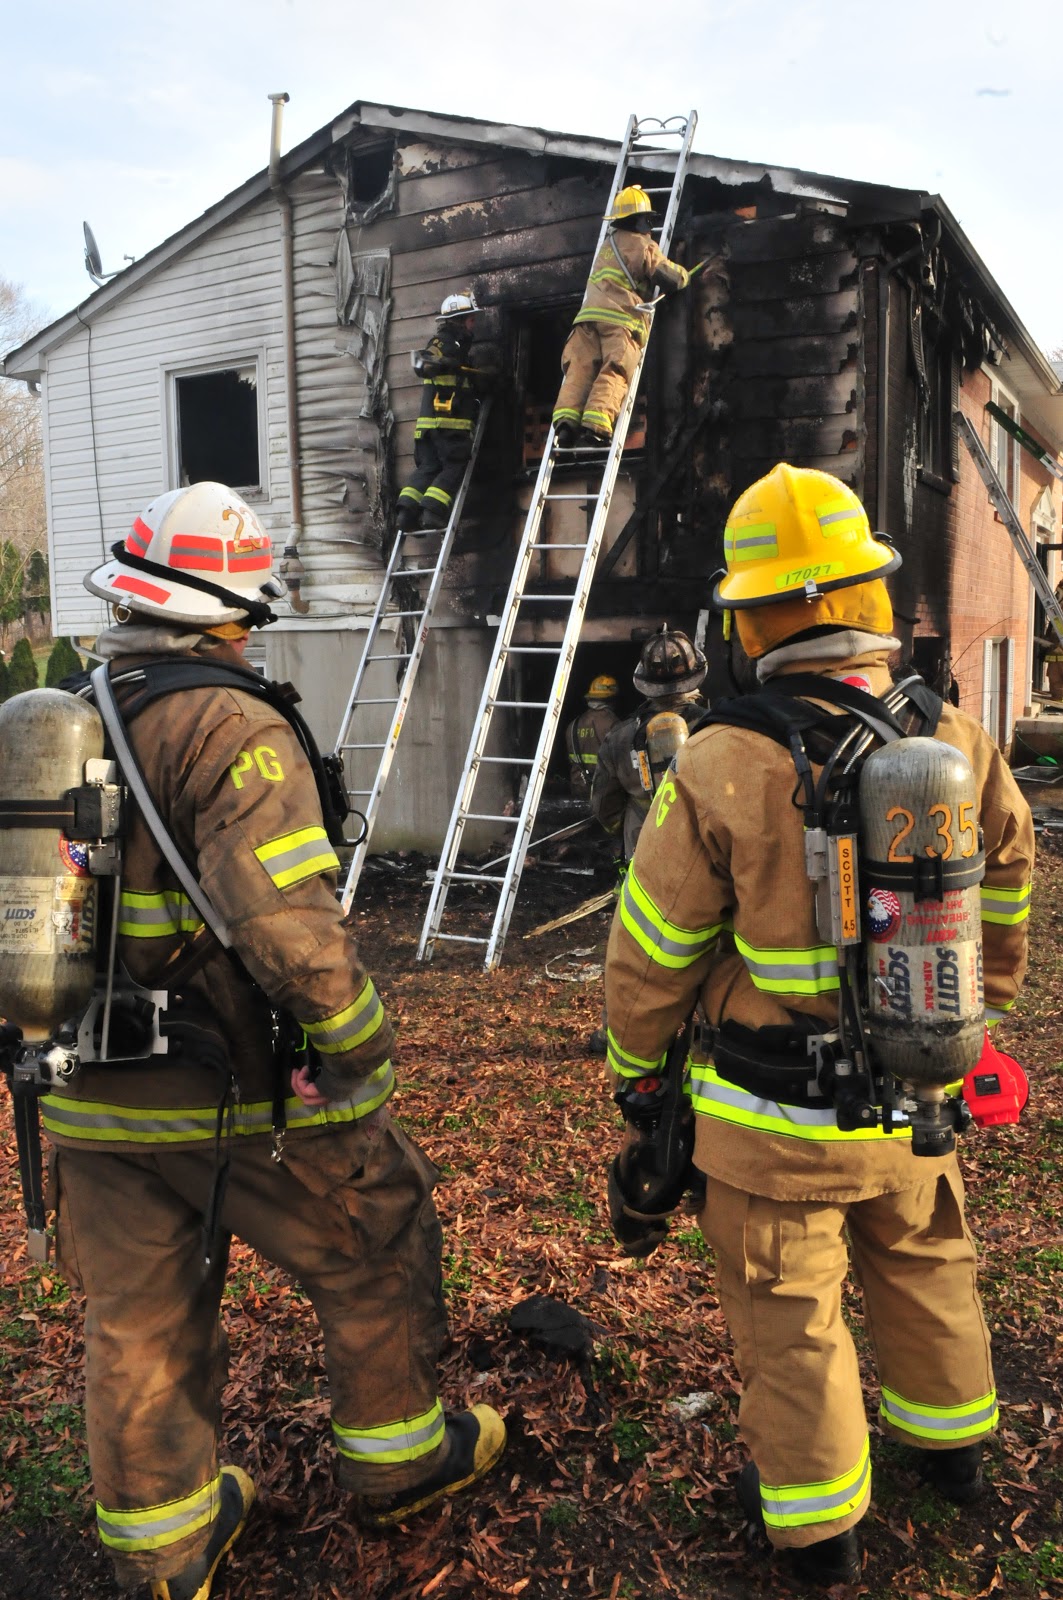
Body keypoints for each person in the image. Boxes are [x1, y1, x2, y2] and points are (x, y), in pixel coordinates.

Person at [44, 482, 505, 1599]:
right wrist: (356, 1047)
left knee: (139, 1318)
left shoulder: (64, 720)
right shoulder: (230, 724)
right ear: (233, 614)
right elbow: (283, 925)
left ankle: (163, 1554)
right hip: (226, 1090)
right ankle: (400, 1466)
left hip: (84, 1092)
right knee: (376, 1238)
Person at [603, 463, 1033, 1589]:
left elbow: (651, 947)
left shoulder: (718, 759)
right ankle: (953, 1454)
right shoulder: (951, 734)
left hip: (770, 1121)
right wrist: (976, 1008)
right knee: (928, 1263)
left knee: (790, 1316)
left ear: (750, 618)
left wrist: (635, 1070)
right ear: (868, 595)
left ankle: (818, 1533)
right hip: (915, 1084)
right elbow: (1008, 869)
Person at [551, 186, 691, 450]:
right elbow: (668, 276)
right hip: (619, 320)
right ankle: (596, 425)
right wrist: (684, 276)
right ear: (641, 219)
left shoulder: (606, 246)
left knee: (579, 370)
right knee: (615, 368)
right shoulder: (641, 245)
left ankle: (566, 424)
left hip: (586, 319)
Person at [591, 627, 707, 863]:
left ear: (645, 681)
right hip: (701, 855)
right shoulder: (716, 728)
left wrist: (625, 828)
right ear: (695, 674)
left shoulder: (619, 737)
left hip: (643, 853)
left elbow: (604, 806)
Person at [395, 290, 492, 535]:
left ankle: (406, 514)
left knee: (428, 468)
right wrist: (440, 362)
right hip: (448, 427)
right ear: (460, 320)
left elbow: (462, 382)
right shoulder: (445, 343)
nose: (474, 324)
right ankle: (432, 512)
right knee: (454, 467)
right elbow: (421, 362)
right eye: (471, 319)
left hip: (428, 428)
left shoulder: (460, 351)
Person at [565, 674, 621, 801]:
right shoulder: (615, 725)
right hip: (606, 795)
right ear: (612, 699)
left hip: (578, 792)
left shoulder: (572, 726)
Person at [1044, 575, 1063, 700]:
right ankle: (1058, 696)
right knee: (1054, 673)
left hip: (1058, 646)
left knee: (1055, 674)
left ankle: (1059, 696)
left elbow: (1058, 624)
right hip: (1056, 645)